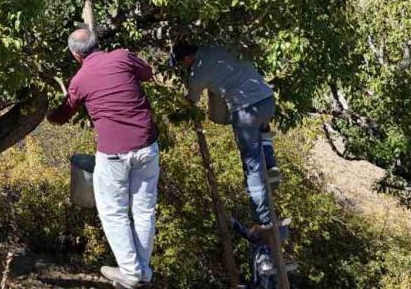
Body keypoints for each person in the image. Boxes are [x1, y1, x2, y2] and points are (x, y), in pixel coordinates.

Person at [48, 27, 159, 289]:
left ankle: (130, 272)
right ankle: (142, 270)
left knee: (113, 211)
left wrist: (49, 116)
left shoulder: (79, 80)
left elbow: (64, 114)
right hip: (147, 144)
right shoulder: (122, 57)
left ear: (76, 55)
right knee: (144, 209)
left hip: (114, 153)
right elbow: (148, 73)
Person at [171, 41, 279, 271]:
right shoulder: (218, 46)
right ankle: (271, 161)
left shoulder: (199, 70)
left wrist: (182, 103)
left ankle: (262, 220)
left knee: (251, 165)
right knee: (262, 131)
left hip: (246, 110)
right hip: (267, 100)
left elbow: (191, 99)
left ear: (187, 59)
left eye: (182, 63)